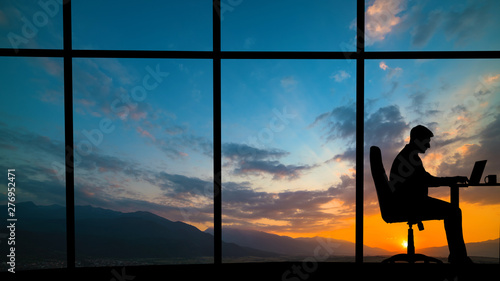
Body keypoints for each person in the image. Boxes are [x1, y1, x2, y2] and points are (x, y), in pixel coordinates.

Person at [389, 125, 472, 264]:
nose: (428, 145)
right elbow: (429, 181)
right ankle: (459, 260)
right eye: (426, 141)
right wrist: (454, 179)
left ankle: (458, 258)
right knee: (454, 212)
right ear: (417, 140)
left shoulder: (408, 155)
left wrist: (453, 179)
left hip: (408, 202)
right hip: (411, 204)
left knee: (453, 211)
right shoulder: (409, 159)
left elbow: (426, 180)